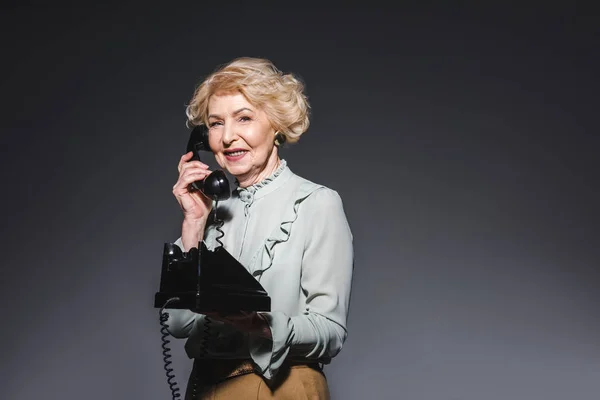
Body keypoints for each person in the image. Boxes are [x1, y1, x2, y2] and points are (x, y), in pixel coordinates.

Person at [165, 57, 354, 399]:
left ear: (276, 125)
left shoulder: (315, 203)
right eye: (216, 123)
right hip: (205, 387)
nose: (227, 137)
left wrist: (257, 324)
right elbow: (177, 324)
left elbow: (331, 331)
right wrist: (193, 223)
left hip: (280, 388)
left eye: (244, 118)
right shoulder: (210, 212)